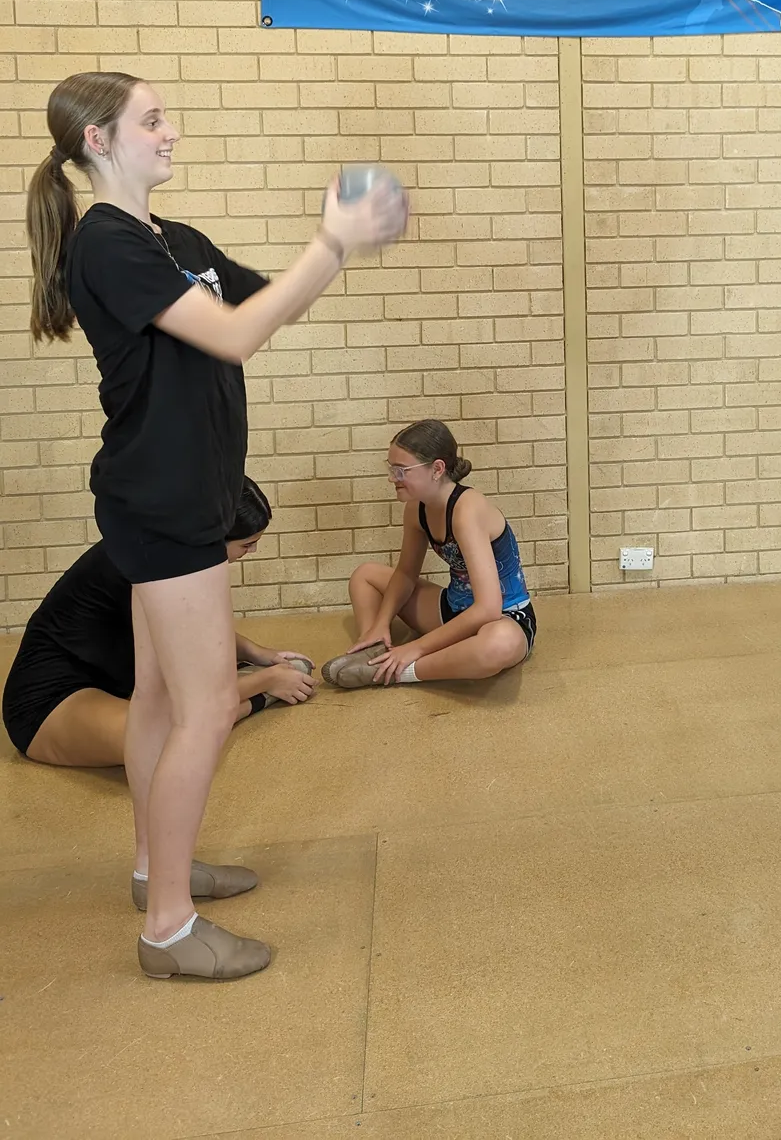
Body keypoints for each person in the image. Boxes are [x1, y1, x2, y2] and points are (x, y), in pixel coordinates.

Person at [25, 71, 407, 980]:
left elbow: (263, 304)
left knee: (160, 700)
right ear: (98, 143)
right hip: (159, 503)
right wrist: (333, 239)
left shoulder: (174, 239)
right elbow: (232, 338)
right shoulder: (106, 244)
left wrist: (335, 253)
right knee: (205, 709)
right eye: (152, 121)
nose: (172, 133)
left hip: (175, 495)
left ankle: (158, 868)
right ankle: (167, 929)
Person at [3, 478, 315, 771]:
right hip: (48, 705)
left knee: (185, 720)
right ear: (212, 538)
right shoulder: (151, 563)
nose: (253, 552)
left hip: (106, 686)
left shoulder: (168, 549)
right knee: (168, 740)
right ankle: (245, 703)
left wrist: (263, 655)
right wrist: (268, 680)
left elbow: (201, 631)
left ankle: (237, 697)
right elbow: (192, 679)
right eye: (247, 545)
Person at [323, 419, 535, 688]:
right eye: (390, 469)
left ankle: (401, 671)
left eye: (401, 471)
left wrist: (417, 647)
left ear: (437, 469)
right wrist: (380, 622)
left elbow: (488, 608)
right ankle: (374, 647)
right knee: (365, 576)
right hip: (452, 609)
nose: (392, 479)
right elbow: (405, 574)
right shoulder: (416, 508)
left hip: (502, 617)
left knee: (498, 644)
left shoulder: (467, 510)